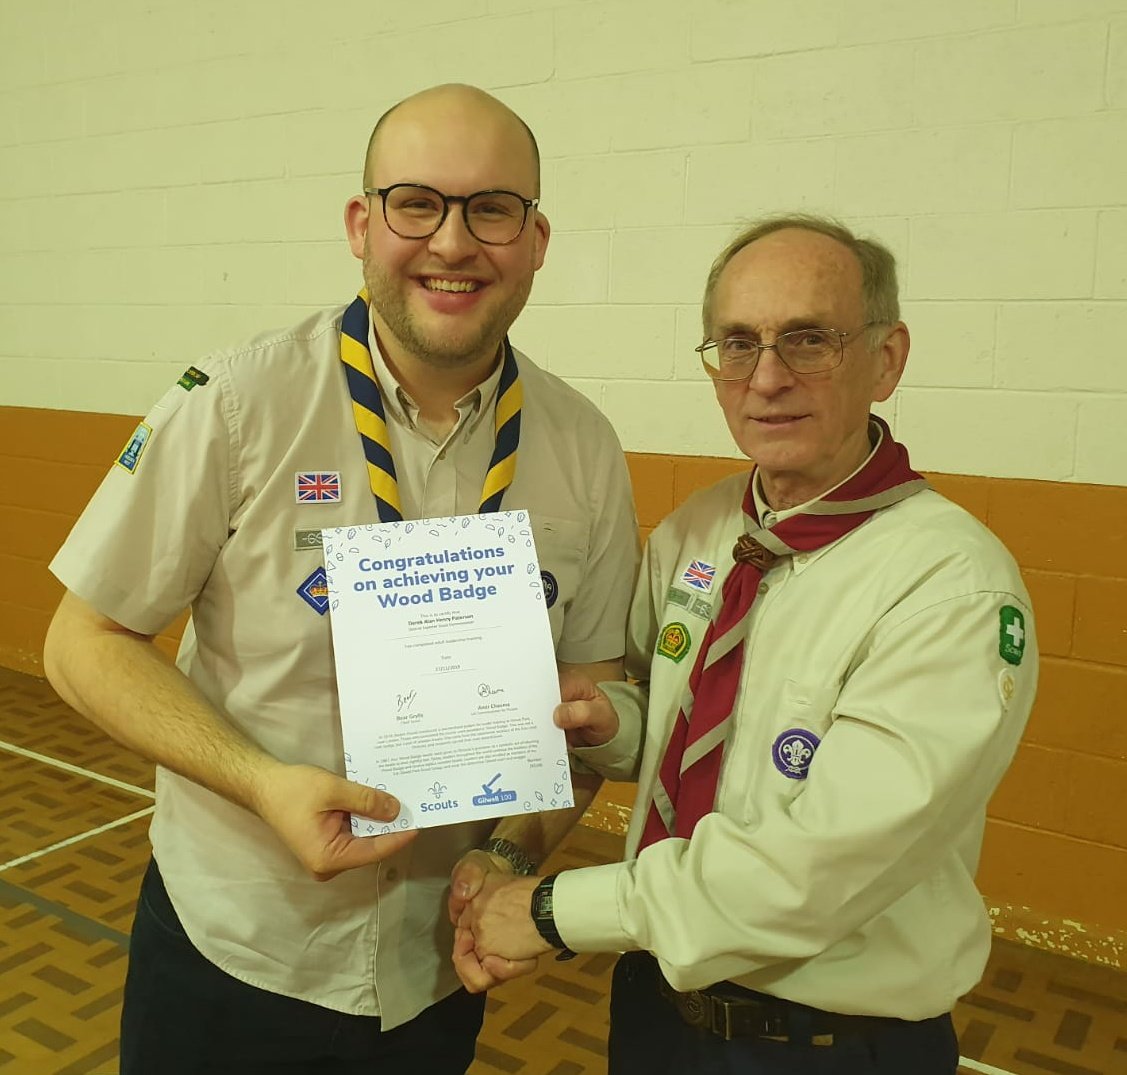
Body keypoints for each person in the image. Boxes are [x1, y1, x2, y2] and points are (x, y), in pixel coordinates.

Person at [43, 83, 638, 1075]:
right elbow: (81, 642)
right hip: (235, 950)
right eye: (417, 202)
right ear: (362, 226)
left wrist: (514, 853)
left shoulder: (581, 448)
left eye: (492, 209)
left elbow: (583, 707)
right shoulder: (238, 404)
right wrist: (262, 782)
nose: (453, 242)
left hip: (436, 969)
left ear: (535, 240)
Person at [456, 214, 1038, 1075]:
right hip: (655, 1008)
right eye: (736, 344)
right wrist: (606, 723)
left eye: (808, 340)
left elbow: (817, 869)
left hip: (829, 1044)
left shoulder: (950, 585)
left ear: (885, 358)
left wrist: (548, 913)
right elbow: (665, 712)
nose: (766, 378)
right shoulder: (698, 528)